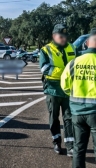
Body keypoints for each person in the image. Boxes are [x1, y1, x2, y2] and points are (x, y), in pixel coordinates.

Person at [61, 28, 96, 168]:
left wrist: (75, 98)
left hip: (77, 113)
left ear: (87, 42)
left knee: (79, 149)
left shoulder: (74, 62)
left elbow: (65, 86)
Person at [39, 24, 77, 156]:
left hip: (68, 90)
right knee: (54, 118)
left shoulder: (72, 47)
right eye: (61, 36)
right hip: (53, 90)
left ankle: (70, 146)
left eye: (65, 36)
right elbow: (45, 68)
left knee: (69, 118)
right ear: (53, 36)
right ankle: (56, 142)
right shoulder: (46, 50)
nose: (63, 38)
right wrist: (66, 72)